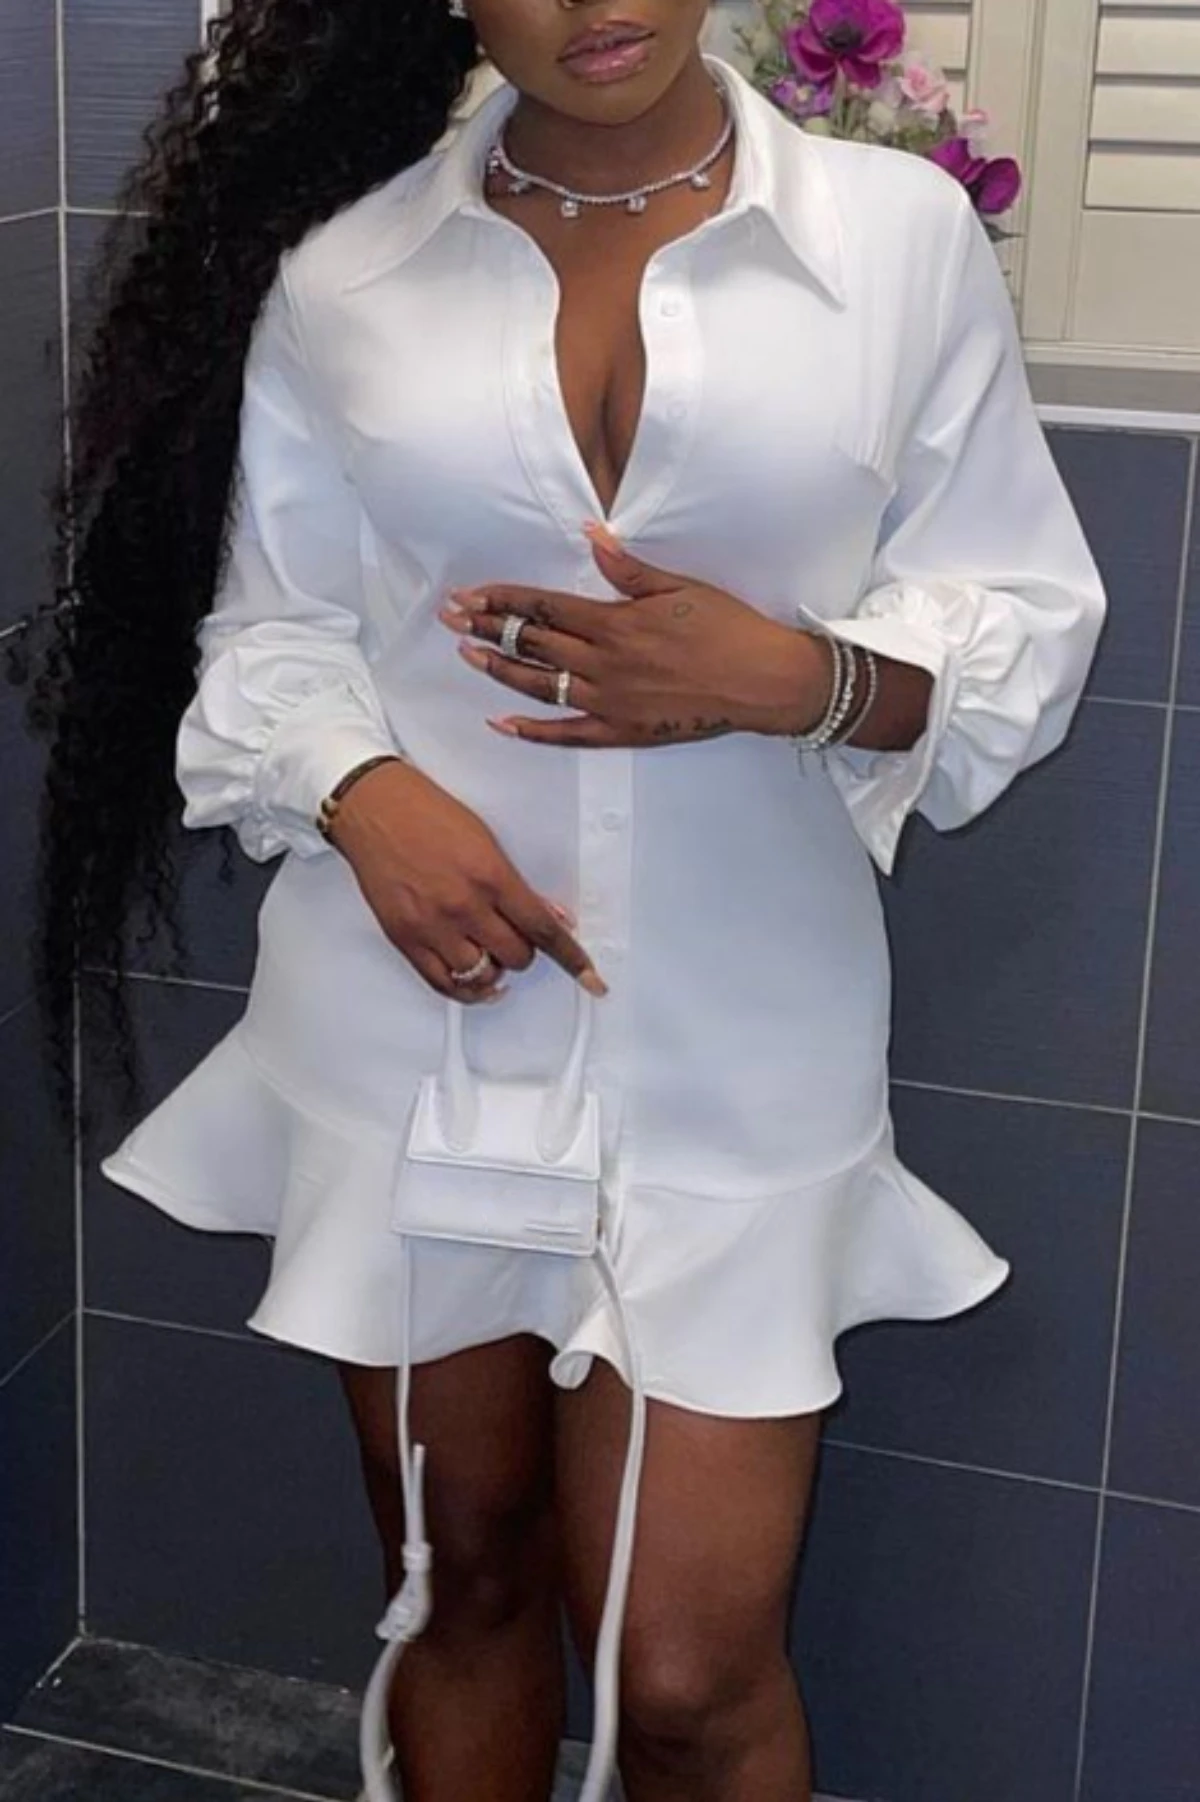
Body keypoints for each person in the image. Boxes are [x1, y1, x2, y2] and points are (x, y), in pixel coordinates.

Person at [28, 2, 1105, 1799]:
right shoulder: (351, 270)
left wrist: (800, 676)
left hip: (735, 1037)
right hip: (416, 1012)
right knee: (462, 1581)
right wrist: (364, 796)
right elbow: (273, 629)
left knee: (686, 1674)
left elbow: (1023, 607)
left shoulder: (894, 241)